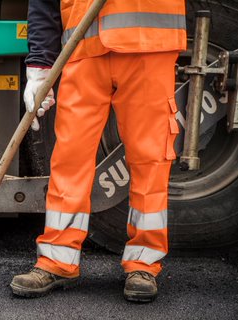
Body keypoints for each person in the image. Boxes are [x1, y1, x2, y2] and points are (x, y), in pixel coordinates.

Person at [10, 0, 187, 302]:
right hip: (83, 51)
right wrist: (40, 64)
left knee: (150, 158)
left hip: (148, 46)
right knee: (69, 157)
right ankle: (57, 259)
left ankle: (144, 263)